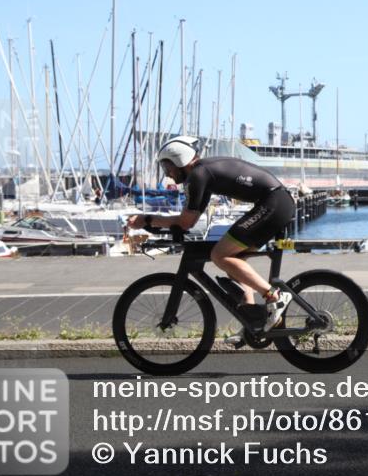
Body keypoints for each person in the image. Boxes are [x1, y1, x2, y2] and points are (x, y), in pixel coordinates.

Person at [126, 136, 296, 340]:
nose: (168, 174)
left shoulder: (198, 175)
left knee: (220, 255)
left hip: (274, 203)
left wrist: (147, 219)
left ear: (180, 160)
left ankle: (274, 297)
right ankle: (252, 322)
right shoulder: (203, 174)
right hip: (274, 203)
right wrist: (160, 222)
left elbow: (186, 222)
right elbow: (189, 218)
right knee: (233, 260)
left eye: (167, 167)